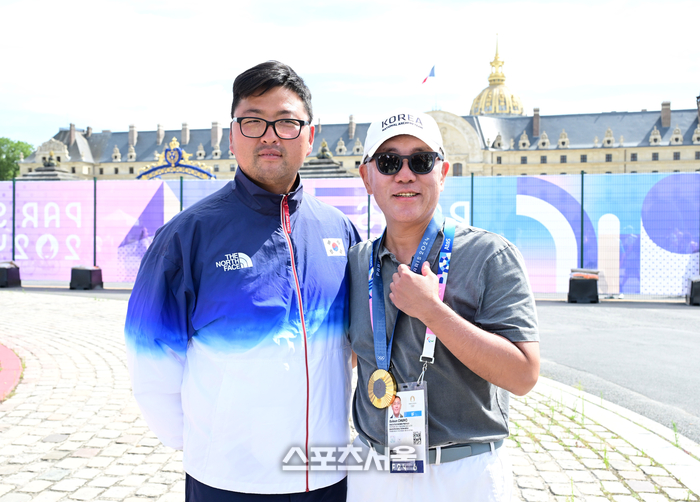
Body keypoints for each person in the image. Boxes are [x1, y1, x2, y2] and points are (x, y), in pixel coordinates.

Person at [125, 61, 360, 502]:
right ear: (232, 135)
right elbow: (150, 361)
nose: (270, 135)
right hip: (229, 480)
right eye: (253, 121)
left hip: (328, 475)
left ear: (311, 136)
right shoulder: (185, 236)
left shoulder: (340, 231)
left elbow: (350, 347)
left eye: (287, 122)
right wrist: (208, 444)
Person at [347, 110, 540, 501]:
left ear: (442, 172)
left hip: (461, 474)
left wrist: (433, 312)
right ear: (367, 177)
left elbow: (523, 376)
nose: (405, 175)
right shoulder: (356, 262)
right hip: (374, 469)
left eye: (421, 161)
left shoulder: (489, 255)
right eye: (388, 162)